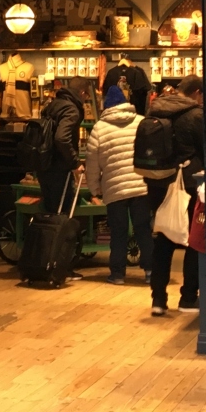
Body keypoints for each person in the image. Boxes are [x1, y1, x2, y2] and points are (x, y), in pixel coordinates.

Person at [137, 76, 205, 315]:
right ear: (197, 93)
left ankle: (158, 299)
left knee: (163, 239)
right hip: (186, 184)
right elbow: (205, 149)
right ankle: (188, 297)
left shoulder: (155, 109)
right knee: (193, 239)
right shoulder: (195, 115)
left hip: (157, 182)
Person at [84, 84, 154, 285]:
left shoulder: (99, 128)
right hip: (141, 184)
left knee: (118, 231)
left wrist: (94, 188)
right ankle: (150, 271)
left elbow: (92, 162)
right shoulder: (140, 122)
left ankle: (117, 274)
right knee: (143, 228)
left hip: (114, 187)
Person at [36, 77, 92, 214]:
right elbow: (61, 138)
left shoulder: (54, 104)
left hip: (44, 164)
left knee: (50, 210)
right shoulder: (72, 109)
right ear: (82, 93)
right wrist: (75, 162)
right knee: (62, 211)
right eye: (87, 95)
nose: (86, 99)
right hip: (59, 168)